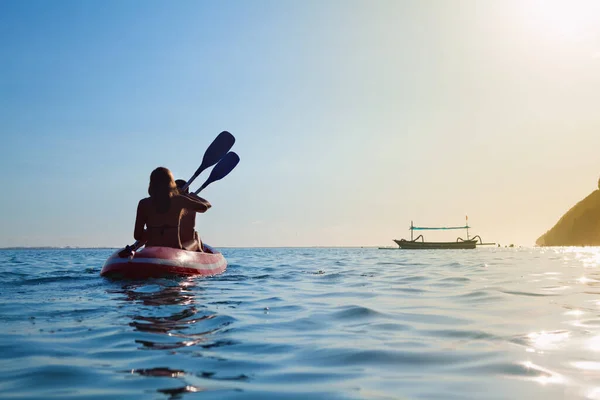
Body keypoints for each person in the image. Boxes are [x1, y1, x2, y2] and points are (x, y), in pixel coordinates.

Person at [133, 167, 211, 249]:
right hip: (174, 250)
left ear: (152, 184)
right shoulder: (179, 200)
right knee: (196, 239)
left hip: (151, 249)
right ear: (171, 184)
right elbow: (204, 207)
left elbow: (137, 235)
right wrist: (186, 196)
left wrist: (154, 230)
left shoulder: (143, 204)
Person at [175, 179, 203, 252]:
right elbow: (206, 205)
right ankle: (199, 248)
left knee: (196, 235)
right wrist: (194, 197)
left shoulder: (168, 204)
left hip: (184, 245)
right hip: (181, 245)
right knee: (196, 235)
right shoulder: (192, 203)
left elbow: (206, 206)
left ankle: (199, 249)